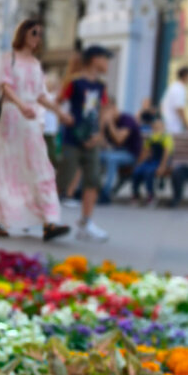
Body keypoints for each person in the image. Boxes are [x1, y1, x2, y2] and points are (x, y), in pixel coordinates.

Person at [0, 19, 70, 241]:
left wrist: (60, 113)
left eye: (40, 34)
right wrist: (21, 105)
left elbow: (41, 95)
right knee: (7, 167)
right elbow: (5, 86)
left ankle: (50, 221)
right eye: (34, 32)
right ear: (23, 33)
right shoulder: (9, 58)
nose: (37, 38)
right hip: (12, 116)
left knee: (41, 166)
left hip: (30, 121)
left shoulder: (34, 63)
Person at [56, 45, 111, 242]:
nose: (107, 64)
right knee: (63, 180)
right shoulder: (75, 82)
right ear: (95, 59)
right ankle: (40, 215)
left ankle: (86, 223)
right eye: (105, 59)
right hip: (73, 138)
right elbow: (58, 101)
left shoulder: (101, 85)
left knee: (93, 180)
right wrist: (64, 116)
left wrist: (100, 133)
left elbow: (103, 110)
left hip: (92, 140)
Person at [99, 103, 143, 202]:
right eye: (103, 111)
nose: (105, 113)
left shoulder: (127, 120)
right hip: (114, 152)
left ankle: (106, 194)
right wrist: (102, 124)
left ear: (114, 108)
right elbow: (101, 142)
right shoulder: (105, 122)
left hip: (130, 154)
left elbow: (119, 140)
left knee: (111, 159)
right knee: (94, 156)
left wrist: (110, 123)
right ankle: (84, 190)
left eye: (107, 110)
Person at [131, 114, 173, 203]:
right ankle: (135, 193)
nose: (157, 129)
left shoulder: (166, 137)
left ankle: (151, 195)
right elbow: (146, 152)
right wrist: (139, 164)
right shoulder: (151, 137)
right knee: (137, 172)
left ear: (163, 127)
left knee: (149, 172)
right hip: (152, 161)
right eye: (155, 127)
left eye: (159, 127)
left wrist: (162, 166)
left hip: (160, 161)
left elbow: (166, 154)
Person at [162, 65, 188, 134]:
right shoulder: (179, 89)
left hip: (169, 124)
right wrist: (187, 124)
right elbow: (179, 108)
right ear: (185, 76)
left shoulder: (174, 87)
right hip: (172, 126)